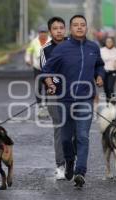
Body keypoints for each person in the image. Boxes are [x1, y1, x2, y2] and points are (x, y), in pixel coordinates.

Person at [42, 15, 105, 188]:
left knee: (83, 136)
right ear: (71, 28)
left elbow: (100, 65)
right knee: (65, 138)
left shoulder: (93, 47)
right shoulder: (61, 49)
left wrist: (99, 76)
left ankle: (80, 172)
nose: (79, 28)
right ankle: (69, 161)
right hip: (65, 100)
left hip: (85, 99)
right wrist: (50, 84)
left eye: (82, 25)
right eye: (75, 25)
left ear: (86, 27)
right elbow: (47, 70)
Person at [40, 17, 67, 180]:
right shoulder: (45, 49)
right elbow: (45, 71)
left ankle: (72, 159)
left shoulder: (74, 44)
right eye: (55, 28)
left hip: (74, 94)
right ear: (50, 31)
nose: (59, 31)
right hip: (54, 94)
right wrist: (50, 84)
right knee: (60, 128)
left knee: (77, 130)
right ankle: (60, 165)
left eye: (61, 27)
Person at [25, 24, 51, 118]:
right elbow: (29, 51)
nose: (43, 34)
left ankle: (47, 107)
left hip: (48, 69)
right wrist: (28, 59)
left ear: (47, 33)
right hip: (37, 68)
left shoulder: (51, 41)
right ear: (38, 33)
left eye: (44, 32)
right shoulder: (34, 42)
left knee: (48, 88)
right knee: (38, 87)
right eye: (41, 32)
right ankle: (40, 106)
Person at [100, 37, 116, 103]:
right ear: (105, 43)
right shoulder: (101, 50)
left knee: (110, 87)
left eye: (110, 41)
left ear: (113, 42)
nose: (109, 43)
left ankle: (113, 101)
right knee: (106, 89)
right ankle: (108, 102)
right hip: (104, 71)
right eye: (107, 41)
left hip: (113, 71)